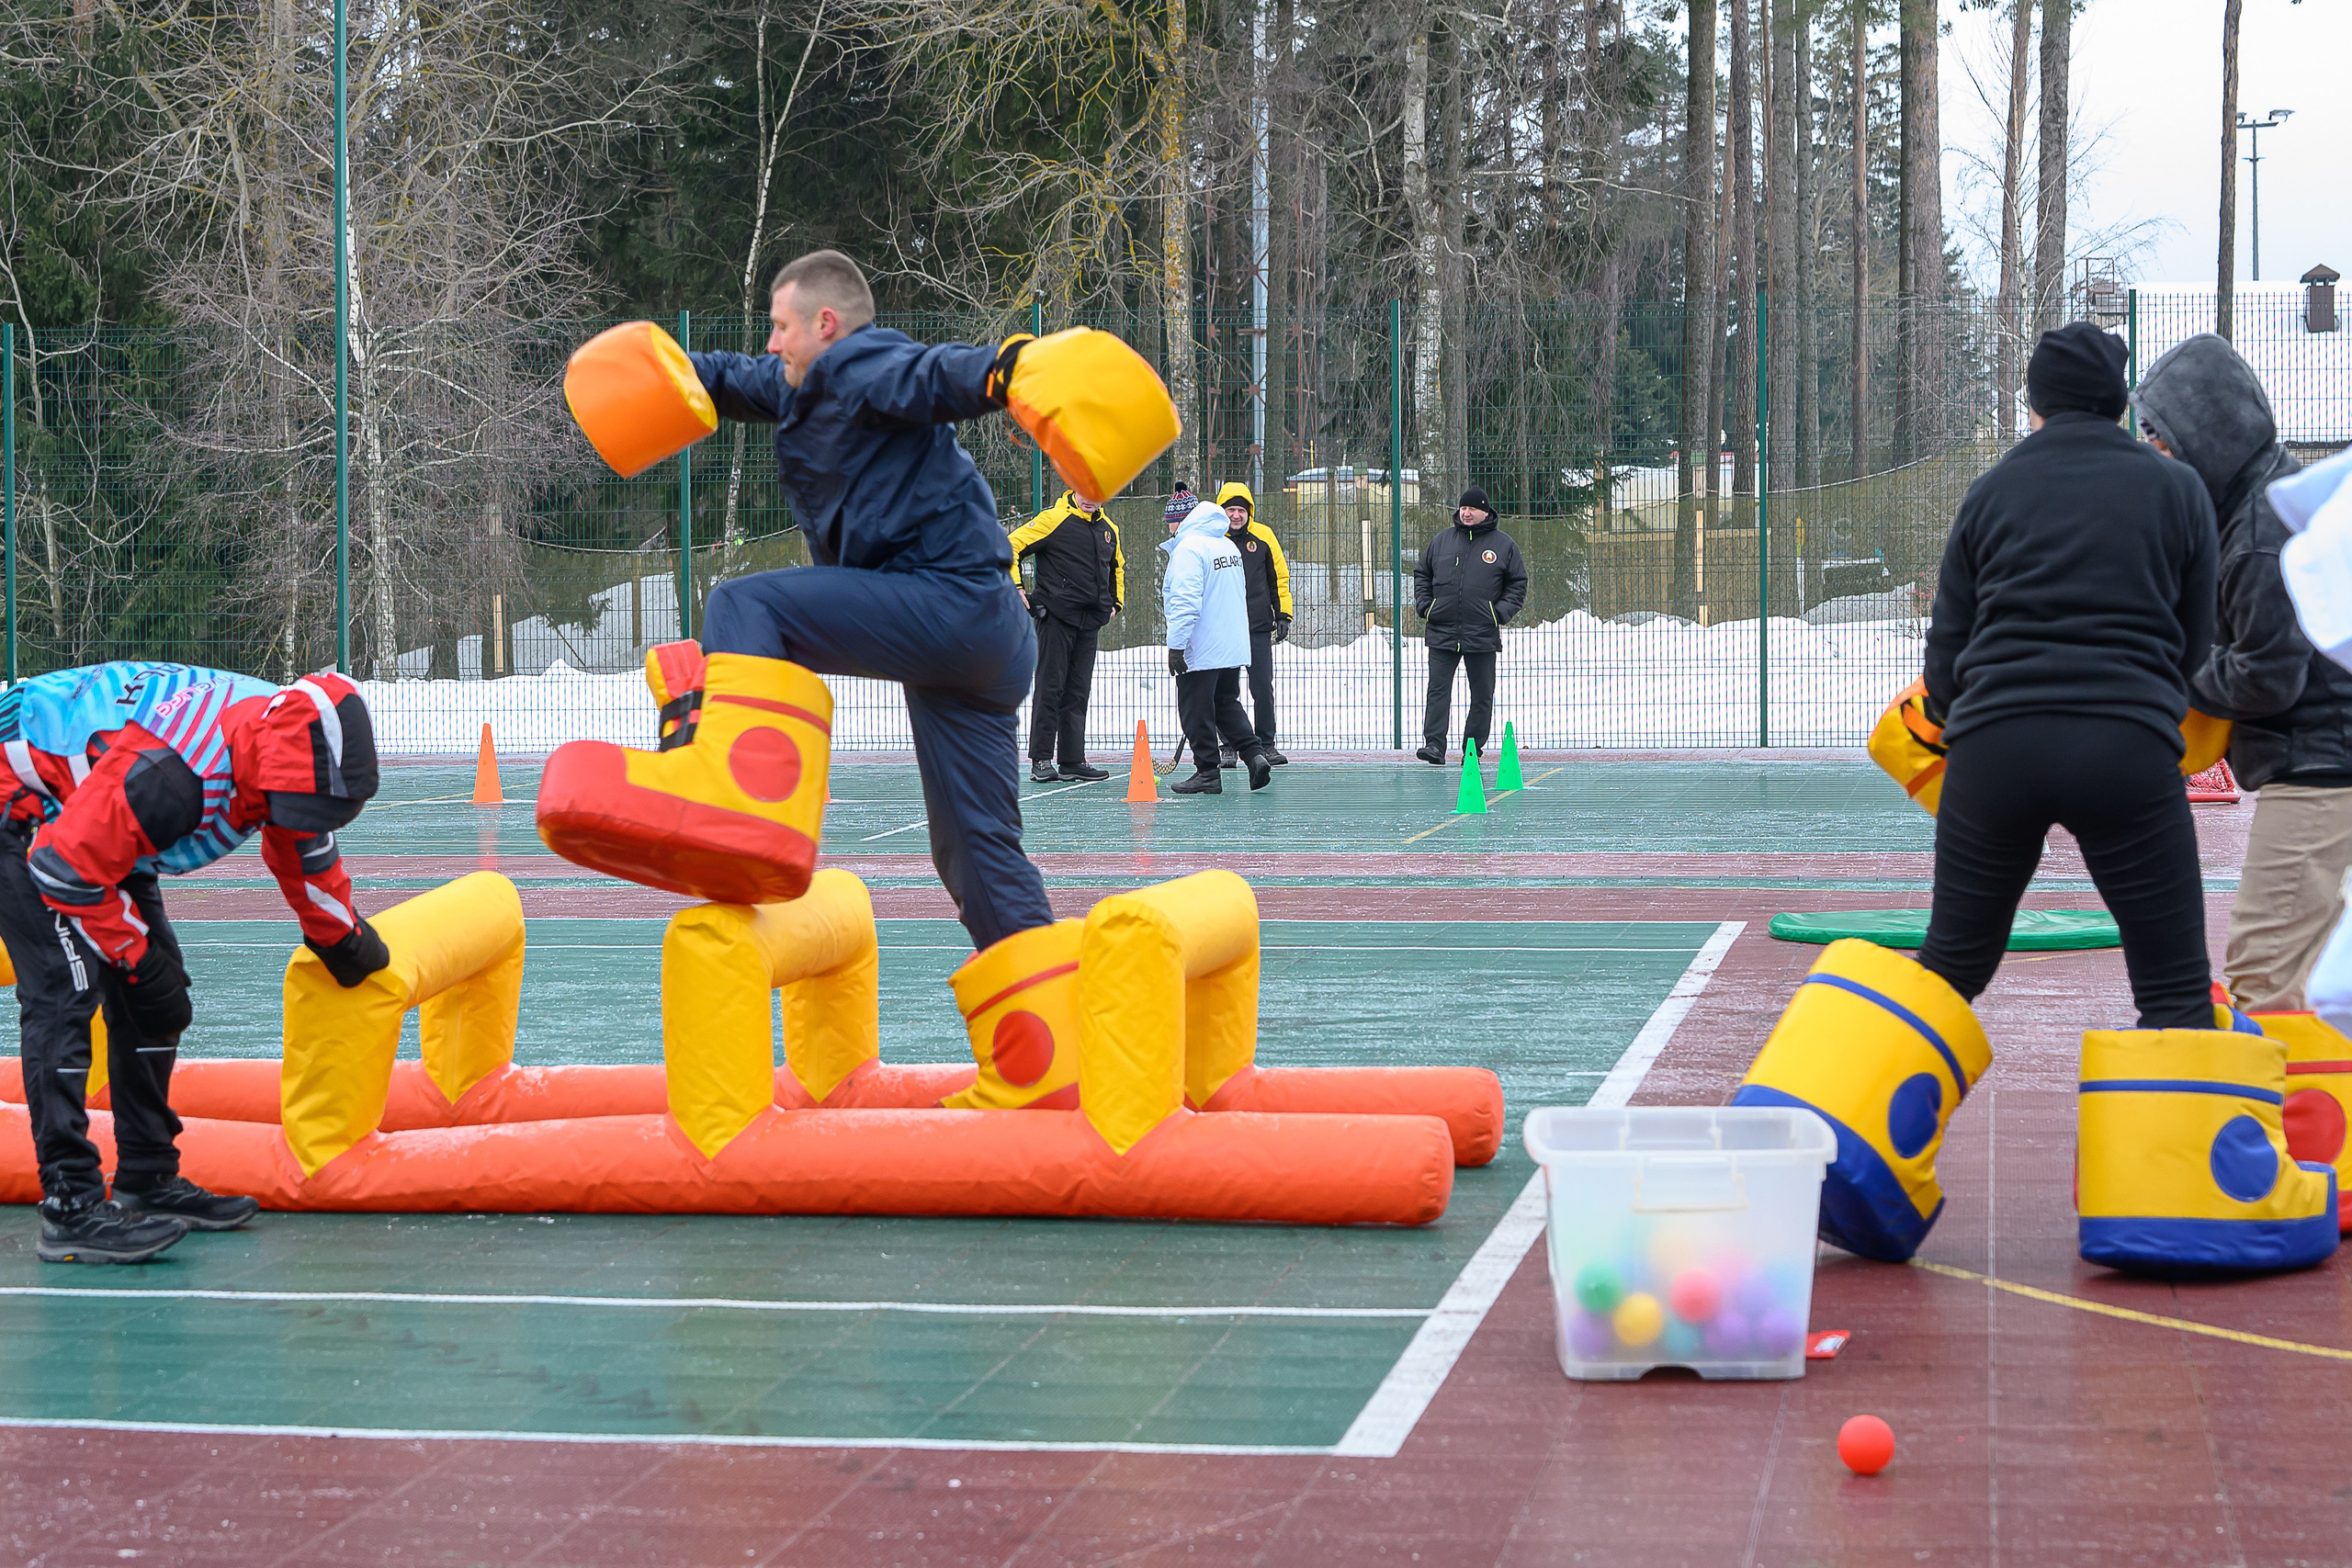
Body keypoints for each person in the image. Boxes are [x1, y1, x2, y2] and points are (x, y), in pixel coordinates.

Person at [4, 663, 390, 1264]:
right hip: (26, 807)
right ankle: (70, 1203)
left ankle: (146, 1177)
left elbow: (301, 842)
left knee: (159, 994)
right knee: (64, 988)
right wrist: (134, 960)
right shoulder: (174, 777)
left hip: (97, 812)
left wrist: (343, 936)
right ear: (270, 776)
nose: (307, 822)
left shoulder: (281, 744)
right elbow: (63, 867)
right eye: (305, 808)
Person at [1911, 321, 2218, 1027]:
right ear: (2121, 404)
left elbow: (1948, 653)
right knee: (2175, 992)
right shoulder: (2177, 489)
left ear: (2035, 403)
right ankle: (2168, 1138)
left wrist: (1975, 718)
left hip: (1996, 748)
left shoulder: (1990, 492)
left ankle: (1844, 1125)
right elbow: (2195, 649)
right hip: (2125, 749)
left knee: (1948, 969)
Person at [2137, 333, 2352, 1014]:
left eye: (2161, 437)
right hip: (2324, 765)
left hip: (2318, 776)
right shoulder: (2259, 504)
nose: (2153, 453)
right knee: (2309, 983)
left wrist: (2180, 675)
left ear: (2206, 435)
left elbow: (2268, 674)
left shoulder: (2259, 532)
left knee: (2264, 980)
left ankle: (2281, 1123)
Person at [1008, 489, 1125, 784]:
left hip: (1089, 623)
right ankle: (1041, 760)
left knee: (1077, 691)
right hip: (1055, 619)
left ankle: (1072, 760)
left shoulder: (1109, 530)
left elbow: (1117, 568)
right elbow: (1011, 544)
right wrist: (1016, 586)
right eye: (1084, 491)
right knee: (1051, 687)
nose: (1089, 499)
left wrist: (1115, 603)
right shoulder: (1053, 519)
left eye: (1096, 493)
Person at [1412, 487, 1528, 765]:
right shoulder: (1442, 541)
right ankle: (1434, 746)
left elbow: (1518, 583)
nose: (1466, 513)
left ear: (1485, 512)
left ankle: (1472, 749)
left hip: (1482, 633)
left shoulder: (1504, 545)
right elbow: (1422, 574)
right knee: (1438, 691)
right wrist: (1426, 607)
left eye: (1472, 509)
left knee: (1482, 695)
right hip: (1442, 631)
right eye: (1463, 508)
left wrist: (1498, 613)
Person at [1163, 499, 1272, 795]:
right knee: (1225, 703)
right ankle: (1254, 755)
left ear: (1183, 520)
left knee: (1195, 709)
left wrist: (1176, 646)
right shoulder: (1227, 547)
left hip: (1202, 646)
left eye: (1172, 520)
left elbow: (1185, 602)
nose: (1169, 527)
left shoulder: (1189, 549)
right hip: (1230, 645)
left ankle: (1207, 772)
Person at [1216, 482, 1294, 767]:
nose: (1235, 516)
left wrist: (1283, 614)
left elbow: (1279, 578)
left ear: (1249, 511)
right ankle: (1228, 747)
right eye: (1230, 510)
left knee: (1261, 687)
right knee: (1225, 691)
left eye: (1240, 510)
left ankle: (1266, 744)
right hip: (1223, 629)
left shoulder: (1263, 537)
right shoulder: (1212, 538)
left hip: (1257, 625)